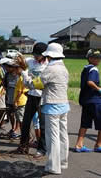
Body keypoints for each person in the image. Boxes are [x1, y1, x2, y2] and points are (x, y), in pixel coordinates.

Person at [21, 43, 69, 175]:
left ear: (49, 55)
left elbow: (34, 85)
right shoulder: (64, 68)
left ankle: (53, 166)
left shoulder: (50, 69)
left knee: (52, 136)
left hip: (51, 106)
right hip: (64, 105)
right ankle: (63, 162)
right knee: (62, 135)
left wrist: (25, 75)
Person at [15, 42, 48, 156]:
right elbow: (21, 62)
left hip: (43, 97)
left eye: (38, 55)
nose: (35, 56)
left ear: (44, 54)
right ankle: (23, 146)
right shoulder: (30, 62)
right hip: (31, 95)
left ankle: (42, 149)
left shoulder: (48, 64)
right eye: (34, 54)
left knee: (42, 124)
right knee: (25, 122)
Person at [74, 49, 101, 153]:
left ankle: (79, 145)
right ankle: (98, 145)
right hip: (95, 101)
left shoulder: (85, 68)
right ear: (89, 58)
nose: (98, 59)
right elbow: (90, 82)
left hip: (85, 100)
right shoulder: (94, 69)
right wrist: (99, 89)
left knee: (84, 123)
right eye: (95, 57)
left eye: (99, 58)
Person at [12, 54, 28, 139]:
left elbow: (20, 91)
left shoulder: (22, 78)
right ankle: (24, 136)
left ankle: (24, 136)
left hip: (20, 101)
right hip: (22, 101)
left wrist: (15, 101)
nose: (14, 70)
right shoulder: (22, 77)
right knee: (20, 120)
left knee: (21, 120)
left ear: (19, 68)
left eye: (15, 68)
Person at [3, 59, 19, 139]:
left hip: (18, 99)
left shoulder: (19, 75)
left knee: (18, 115)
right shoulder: (7, 75)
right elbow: (4, 86)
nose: (6, 68)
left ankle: (16, 130)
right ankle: (13, 128)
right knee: (11, 114)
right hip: (9, 98)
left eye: (8, 67)